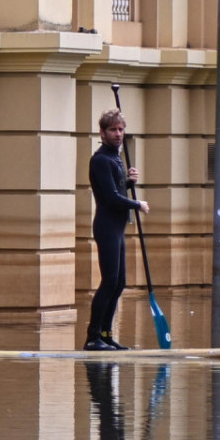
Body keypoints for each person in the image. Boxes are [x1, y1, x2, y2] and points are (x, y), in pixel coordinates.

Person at [85, 109, 148, 351]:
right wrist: (137, 204)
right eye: (113, 130)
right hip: (106, 226)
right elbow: (110, 197)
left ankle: (106, 334)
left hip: (117, 227)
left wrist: (129, 181)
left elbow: (117, 188)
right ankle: (93, 338)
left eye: (121, 129)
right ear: (102, 133)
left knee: (119, 282)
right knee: (109, 281)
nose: (118, 134)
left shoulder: (115, 159)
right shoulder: (101, 159)